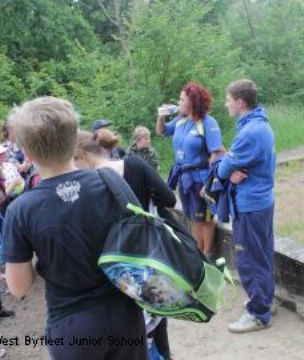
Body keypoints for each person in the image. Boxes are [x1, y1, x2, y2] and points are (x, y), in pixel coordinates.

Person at [3, 97, 148, 360]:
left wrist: (39, 262)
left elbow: (19, 287)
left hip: (72, 327)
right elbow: (141, 242)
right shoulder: (112, 183)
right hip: (126, 315)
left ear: (27, 152)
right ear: (74, 142)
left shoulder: (21, 210)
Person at [74, 130, 176, 360]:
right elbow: (169, 199)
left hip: (116, 271)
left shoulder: (85, 186)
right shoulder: (135, 165)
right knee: (157, 319)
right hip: (149, 257)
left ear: (80, 156)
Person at [216, 79, 276, 333]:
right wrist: (228, 170)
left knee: (249, 259)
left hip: (250, 205)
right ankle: (264, 300)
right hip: (261, 202)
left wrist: (226, 169)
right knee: (261, 254)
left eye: (228, 100)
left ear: (240, 103)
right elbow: (229, 167)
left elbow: (223, 167)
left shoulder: (250, 133)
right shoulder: (260, 125)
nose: (226, 104)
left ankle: (259, 314)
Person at [156, 82, 223, 259]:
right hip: (183, 178)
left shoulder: (208, 123)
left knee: (206, 218)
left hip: (201, 178)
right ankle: (197, 253)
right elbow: (162, 132)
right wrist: (161, 117)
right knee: (193, 217)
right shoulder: (180, 120)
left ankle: (207, 254)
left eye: (182, 99)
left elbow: (216, 153)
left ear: (192, 101)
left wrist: (209, 183)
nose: (178, 103)